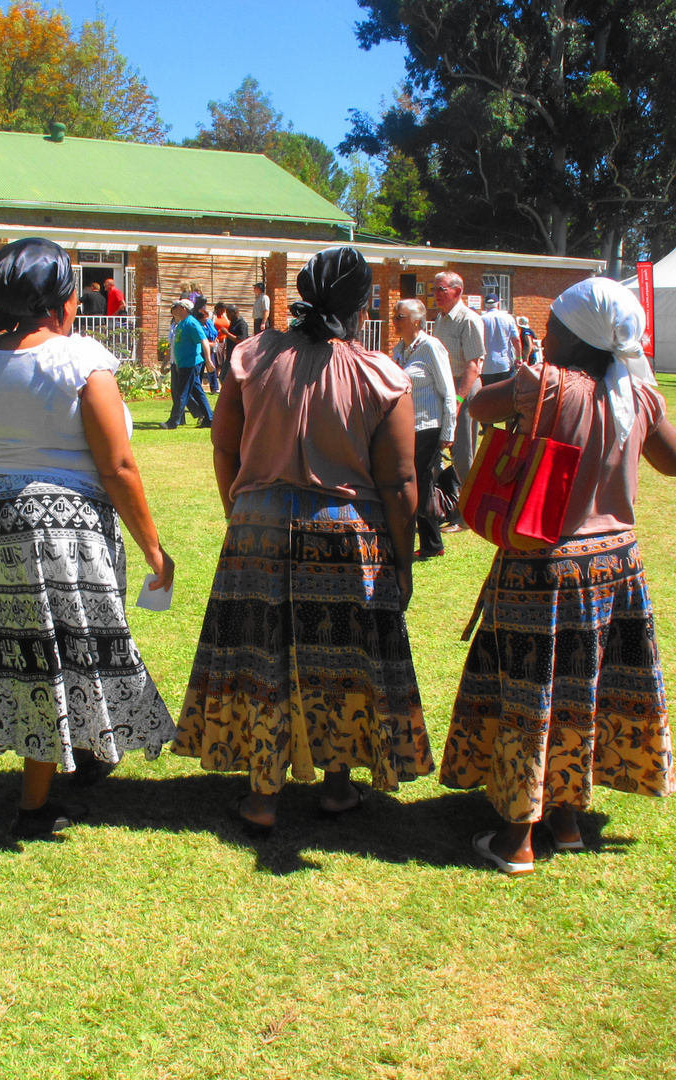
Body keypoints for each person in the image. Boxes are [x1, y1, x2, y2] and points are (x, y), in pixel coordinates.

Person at [173, 246, 434, 832]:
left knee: (265, 656)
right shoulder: (381, 374)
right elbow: (398, 482)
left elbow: (223, 446)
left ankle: (263, 797)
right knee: (338, 658)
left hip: (257, 525)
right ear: (362, 307)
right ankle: (338, 787)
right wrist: (401, 558)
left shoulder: (248, 357)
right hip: (345, 535)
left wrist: (240, 513)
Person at [441, 276, 676, 875]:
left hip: (545, 567)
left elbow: (478, 406)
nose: (543, 334)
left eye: (552, 326)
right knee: (584, 689)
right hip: (615, 566)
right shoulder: (634, 393)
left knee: (535, 693)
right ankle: (567, 818)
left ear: (577, 338)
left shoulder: (545, 384)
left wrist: (533, 380)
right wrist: (644, 400)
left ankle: (517, 839)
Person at [0, 237, 175, 838]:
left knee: (25, 651)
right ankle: (35, 803)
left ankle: (88, 752)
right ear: (58, 298)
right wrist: (155, 548)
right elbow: (118, 465)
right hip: (59, 525)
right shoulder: (79, 360)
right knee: (63, 649)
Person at [391, 298, 456, 559]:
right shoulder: (399, 350)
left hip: (428, 426)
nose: (395, 321)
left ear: (417, 320)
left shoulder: (431, 347)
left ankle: (427, 542)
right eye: (395, 316)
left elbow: (448, 392)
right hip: (406, 427)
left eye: (400, 317)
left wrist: (448, 432)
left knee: (418, 481)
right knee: (421, 483)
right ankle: (431, 543)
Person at [430, 272, 487, 532]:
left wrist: (459, 399)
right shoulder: (440, 319)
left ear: (458, 291)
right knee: (440, 447)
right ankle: (447, 507)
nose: (436, 294)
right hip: (444, 386)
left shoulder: (469, 319)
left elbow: (474, 365)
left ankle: (469, 516)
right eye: (434, 289)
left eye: (441, 289)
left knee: (463, 453)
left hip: (463, 386)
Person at [160, 299, 214, 429]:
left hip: (190, 364)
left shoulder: (191, 323)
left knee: (181, 392)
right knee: (197, 392)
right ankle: (209, 419)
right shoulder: (181, 323)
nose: (175, 309)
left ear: (184, 308)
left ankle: (173, 422)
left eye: (177, 307)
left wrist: (208, 360)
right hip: (183, 364)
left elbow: (204, 340)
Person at [479, 294, 519, 387]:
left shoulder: (480, 319)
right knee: (503, 393)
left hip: (486, 365)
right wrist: (519, 358)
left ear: (485, 304)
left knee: (487, 393)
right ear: (497, 303)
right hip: (504, 363)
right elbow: (516, 340)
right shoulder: (508, 318)